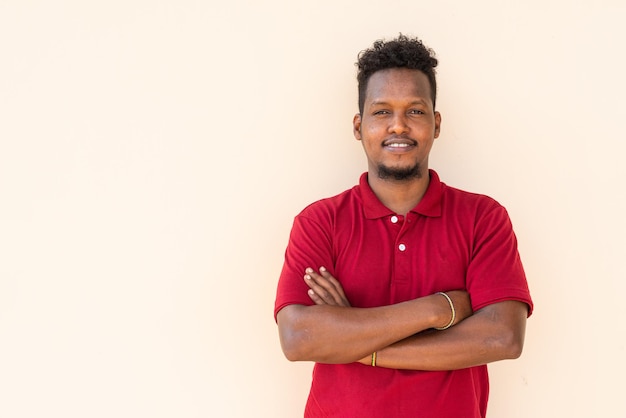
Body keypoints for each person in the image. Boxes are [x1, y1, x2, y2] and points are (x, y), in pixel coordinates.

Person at [274, 34, 533, 418]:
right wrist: (440, 308)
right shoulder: (319, 222)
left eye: (415, 111)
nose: (398, 126)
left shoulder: (483, 218)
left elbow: (503, 337)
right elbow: (298, 338)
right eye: (381, 112)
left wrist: (354, 341)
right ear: (358, 126)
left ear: (436, 123)